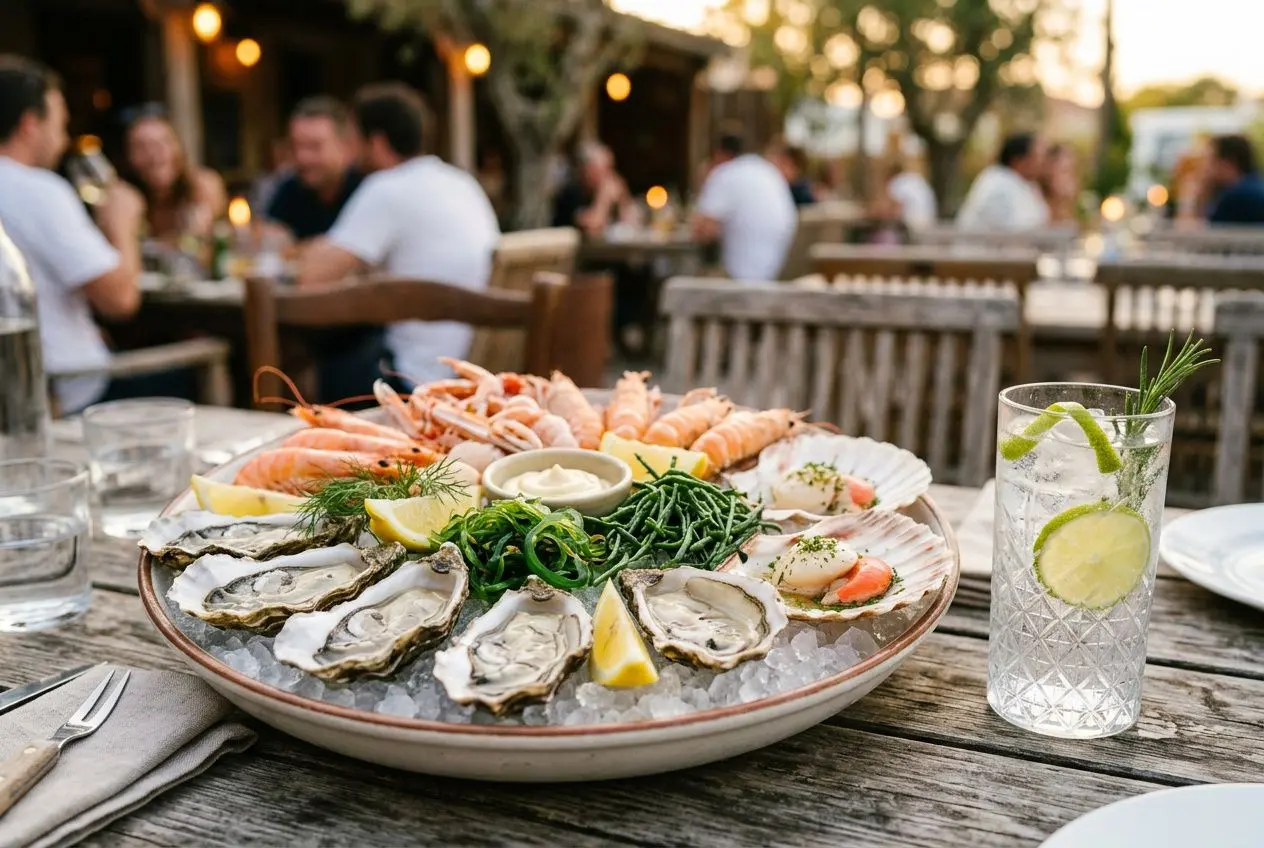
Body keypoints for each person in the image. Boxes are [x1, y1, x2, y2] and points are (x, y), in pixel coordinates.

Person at [0, 56, 189, 413]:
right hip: (71, 392)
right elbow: (120, 301)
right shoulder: (39, 190)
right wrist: (122, 225)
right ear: (29, 124)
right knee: (194, 373)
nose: (64, 136)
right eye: (59, 122)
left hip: (21, 390)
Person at [297, 82, 500, 386]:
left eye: (353, 139)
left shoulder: (386, 187)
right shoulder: (461, 182)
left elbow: (310, 278)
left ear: (376, 142)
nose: (350, 152)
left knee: (326, 366)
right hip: (470, 365)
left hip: (418, 374)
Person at [691, 134, 797, 281]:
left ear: (719, 154)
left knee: (682, 273)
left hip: (739, 279)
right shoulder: (765, 171)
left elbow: (702, 232)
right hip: (771, 275)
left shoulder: (724, 173)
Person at [121, 105, 225, 242]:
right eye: (142, 147)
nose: (153, 155)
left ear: (178, 147)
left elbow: (218, 242)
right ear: (129, 157)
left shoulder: (203, 185)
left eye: (161, 143)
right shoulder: (126, 200)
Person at [266, 98, 362, 241]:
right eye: (295, 146)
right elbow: (270, 239)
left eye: (314, 146)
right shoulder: (290, 188)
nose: (302, 157)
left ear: (345, 146)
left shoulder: (367, 190)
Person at [956, 133, 1050, 230]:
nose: (1044, 163)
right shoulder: (997, 185)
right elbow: (1013, 232)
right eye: (1039, 157)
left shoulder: (1028, 186)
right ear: (1018, 160)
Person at [551, 141, 637, 237]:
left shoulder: (609, 188)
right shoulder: (572, 193)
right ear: (587, 170)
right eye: (603, 170)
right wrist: (603, 199)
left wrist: (623, 197)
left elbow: (631, 223)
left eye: (610, 169)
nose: (609, 176)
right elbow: (592, 228)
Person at [1205, 134, 1264, 225]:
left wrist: (1188, 196)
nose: (1206, 168)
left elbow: (1195, 234)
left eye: (1211, 161)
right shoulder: (1254, 186)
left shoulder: (1237, 196)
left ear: (1228, 163)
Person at [884, 158, 937, 229]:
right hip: (930, 218)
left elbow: (897, 209)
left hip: (913, 221)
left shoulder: (896, 182)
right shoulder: (914, 178)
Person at [768, 142, 816, 206]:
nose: (781, 168)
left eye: (786, 165)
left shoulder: (801, 193)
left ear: (798, 170)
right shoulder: (776, 187)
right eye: (781, 163)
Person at [1041, 144, 1079, 223]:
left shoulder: (1072, 209)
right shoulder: (1035, 206)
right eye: (1065, 171)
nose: (1071, 178)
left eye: (1073, 171)